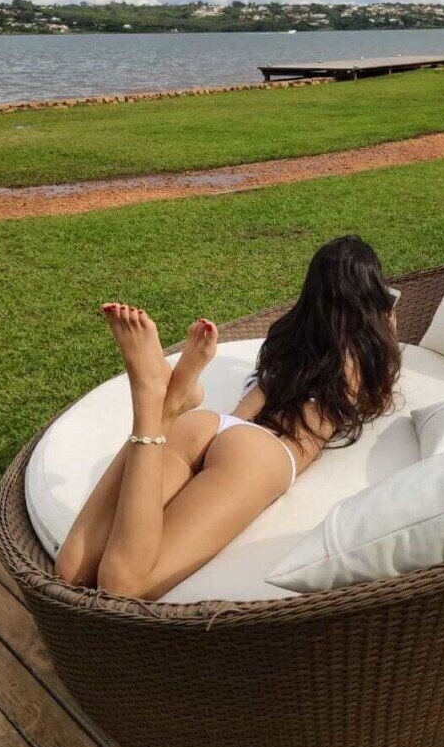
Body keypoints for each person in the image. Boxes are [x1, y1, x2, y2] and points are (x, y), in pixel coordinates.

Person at [55, 236, 401, 599]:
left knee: (71, 568)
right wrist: (384, 320)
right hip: (263, 451)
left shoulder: (286, 338)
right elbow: (382, 373)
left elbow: (259, 395)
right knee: (122, 583)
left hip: (211, 425)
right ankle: (152, 401)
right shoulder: (363, 356)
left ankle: (168, 407)